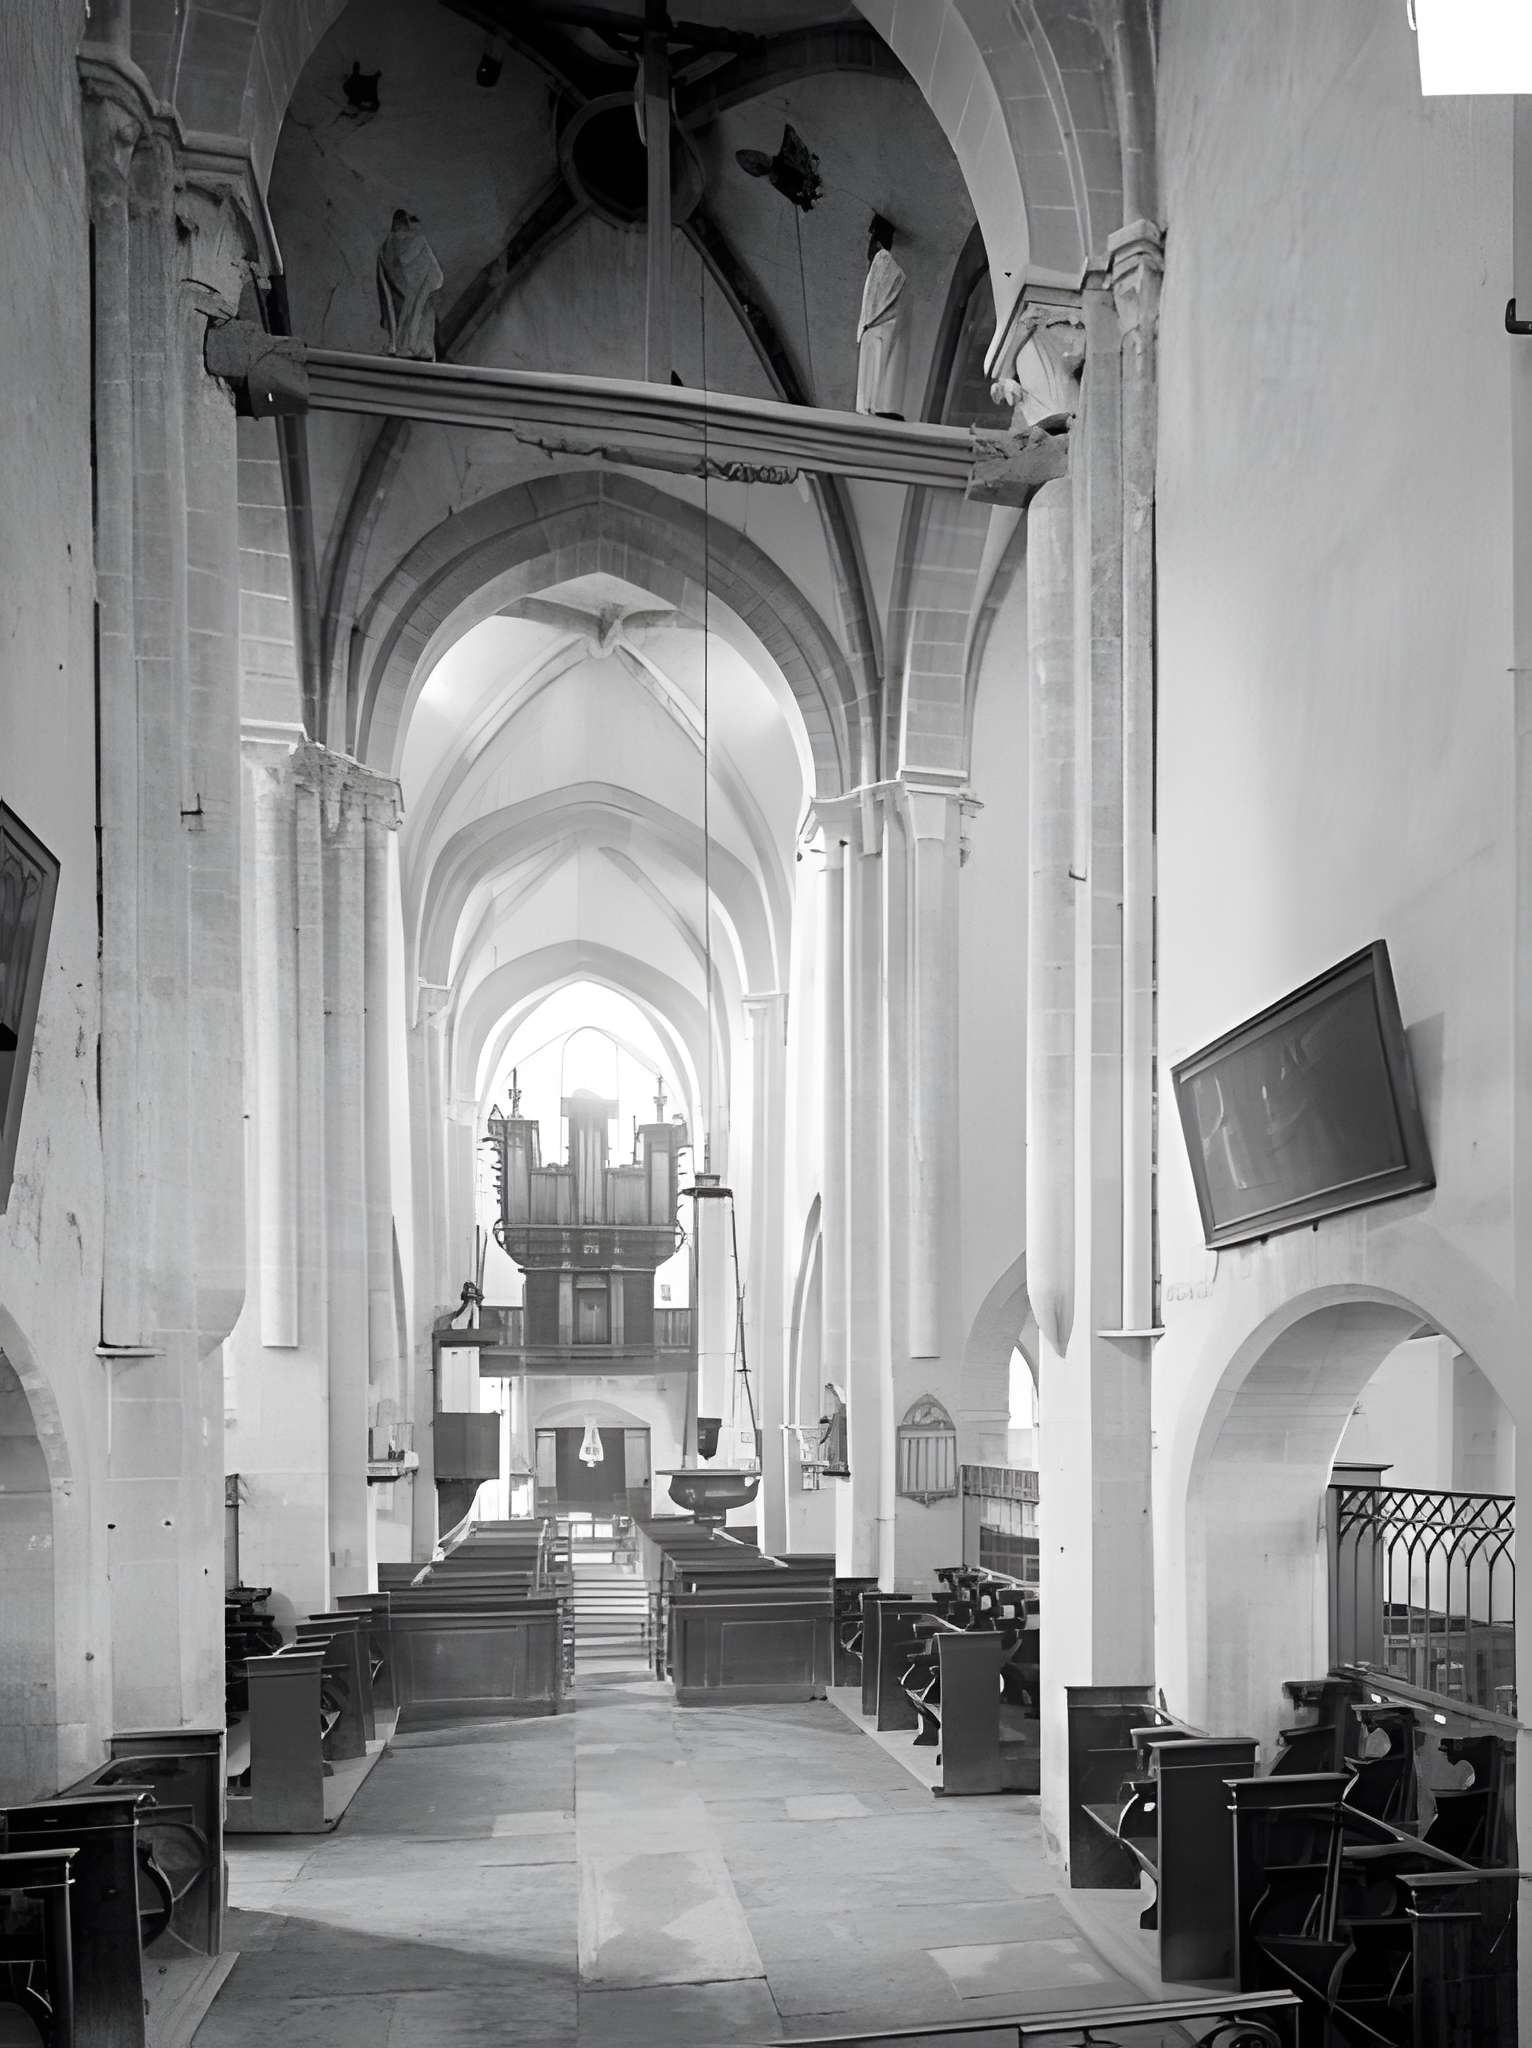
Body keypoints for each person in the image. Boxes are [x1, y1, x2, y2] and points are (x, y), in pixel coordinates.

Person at [855, 214, 908, 419]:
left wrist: (869, 322)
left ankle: (873, 408)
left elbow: (879, 295)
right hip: (876, 326)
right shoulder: (881, 260)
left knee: (875, 368)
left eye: (871, 242)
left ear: (877, 242)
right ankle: (872, 408)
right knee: (875, 369)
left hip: (877, 325)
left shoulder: (882, 259)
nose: (868, 248)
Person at [376, 209, 443, 361]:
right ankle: (407, 345)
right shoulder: (388, 247)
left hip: (424, 285)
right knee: (413, 311)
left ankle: (413, 346)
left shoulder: (416, 241)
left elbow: (408, 261)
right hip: (413, 288)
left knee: (419, 311)